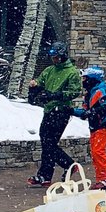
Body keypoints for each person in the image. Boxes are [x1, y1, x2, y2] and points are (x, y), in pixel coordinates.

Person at [26, 42, 82, 186]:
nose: (54, 60)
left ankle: (67, 165)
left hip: (61, 111)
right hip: (49, 110)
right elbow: (41, 82)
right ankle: (47, 175)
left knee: (49, 143)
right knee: (46, 142)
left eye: (57, 57)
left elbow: (74, 92)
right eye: (53, 57)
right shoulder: (50, 70)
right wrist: (35, 87)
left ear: (63, 55)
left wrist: (54, 95)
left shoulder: (72, 72)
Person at [72, 65, 106, 191]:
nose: (83, 81)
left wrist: (91, 112)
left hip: (103, 124)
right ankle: (101, 178)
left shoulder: (100, 90)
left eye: (85, 78)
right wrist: (71, 111)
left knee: (98, 151)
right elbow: (85, 111)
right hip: (95, 125)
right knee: (95, 152)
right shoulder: (91, 92)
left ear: (92, 78)